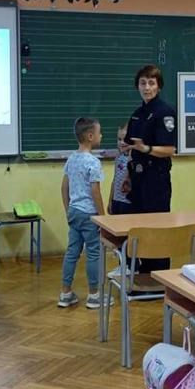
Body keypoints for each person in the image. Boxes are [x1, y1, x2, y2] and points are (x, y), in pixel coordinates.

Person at [59, 117, 109, 309]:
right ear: (90, 136)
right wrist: (102, 217)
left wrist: (68, 210)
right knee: (94, 253)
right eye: (99, 132)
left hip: (74, 212)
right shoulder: (93, 162)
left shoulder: (71, 159)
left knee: (72, 252)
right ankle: (94, 295)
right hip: (89, 215)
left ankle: (65, 293)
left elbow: (64, 187)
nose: (101, 135)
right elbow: (95, 192)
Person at [122, 65, 176, 215]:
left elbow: (170, 150)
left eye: (151, 83)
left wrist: (146, 148)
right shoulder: (137, 114)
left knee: (155, 225)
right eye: (143, 83)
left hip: (155, 180)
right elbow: (132, 146)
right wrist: (128, 175)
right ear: (137, 86)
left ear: (159, 87)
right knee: (136, 224)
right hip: (136, 177)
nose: (147, 88)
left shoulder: (165, 112)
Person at [108, 123, 132, 215]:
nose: (121, 142)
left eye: (125, 139)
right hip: (116, 201)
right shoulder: (118, 157)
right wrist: (110, 201)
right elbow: (114, 180)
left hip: (128, 203)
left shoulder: (134, 159)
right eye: (119, 139)